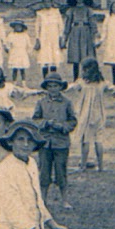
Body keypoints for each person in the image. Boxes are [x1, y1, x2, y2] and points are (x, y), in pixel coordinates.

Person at [33, 72, 77, 208]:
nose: (53, 89)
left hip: (61, 142)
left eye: (55, 86)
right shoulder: (41, 102)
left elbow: (73, 121)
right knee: (44, 171)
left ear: (60, 87)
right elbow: (35, 120)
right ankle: (43, 200)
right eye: (50, 86)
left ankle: (64, 200)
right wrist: (46, 123)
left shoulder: (66, 102)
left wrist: (62, 126)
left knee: (61, 171)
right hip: (45, 142)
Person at [68, 59, 107, 172]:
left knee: (86, 140)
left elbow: (72, 87)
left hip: (86, 115)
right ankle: (101, 166)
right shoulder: (102, 83)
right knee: (98, 140)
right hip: (100, 113)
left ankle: (83, 165)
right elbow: (110, 88)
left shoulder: (82, 83)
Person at [62, 0, 96, 81]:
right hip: (75, 32)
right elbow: (67, 25)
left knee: (86, 55)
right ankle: (76, 79)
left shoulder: (88, 10)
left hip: (86, 32)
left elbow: (93, 24)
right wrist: (64, 38)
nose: (79, 0)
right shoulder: (71, 10)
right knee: (76, 56)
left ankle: (87, 78)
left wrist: (94, 37)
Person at [32, 0, 64, 77]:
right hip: (44, 37)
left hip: (54, 37)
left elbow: (60, 25)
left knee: (54, 57)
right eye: (45, 2)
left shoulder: (56, 12)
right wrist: (37, 39)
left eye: (49, 1)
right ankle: (45, 78)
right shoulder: (40, 13)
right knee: (45, 57)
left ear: (52, 2)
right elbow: (37, 27)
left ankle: (53, 77)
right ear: (42, 3)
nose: (47, 3)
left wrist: (61, 37)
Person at [5, 20, 34, 86]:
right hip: (14, 53)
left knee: (22, 69)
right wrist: (8, 49)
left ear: (22, 27)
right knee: (14, 69)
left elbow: (29, 45)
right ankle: (14, 83)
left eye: (19, 26)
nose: (18, 28)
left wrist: (28, 52)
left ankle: (24, 83)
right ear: (14, 27)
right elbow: (8, 43)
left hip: (22, 53)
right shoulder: (11, 35)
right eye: (16, 26)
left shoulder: (25, 35)